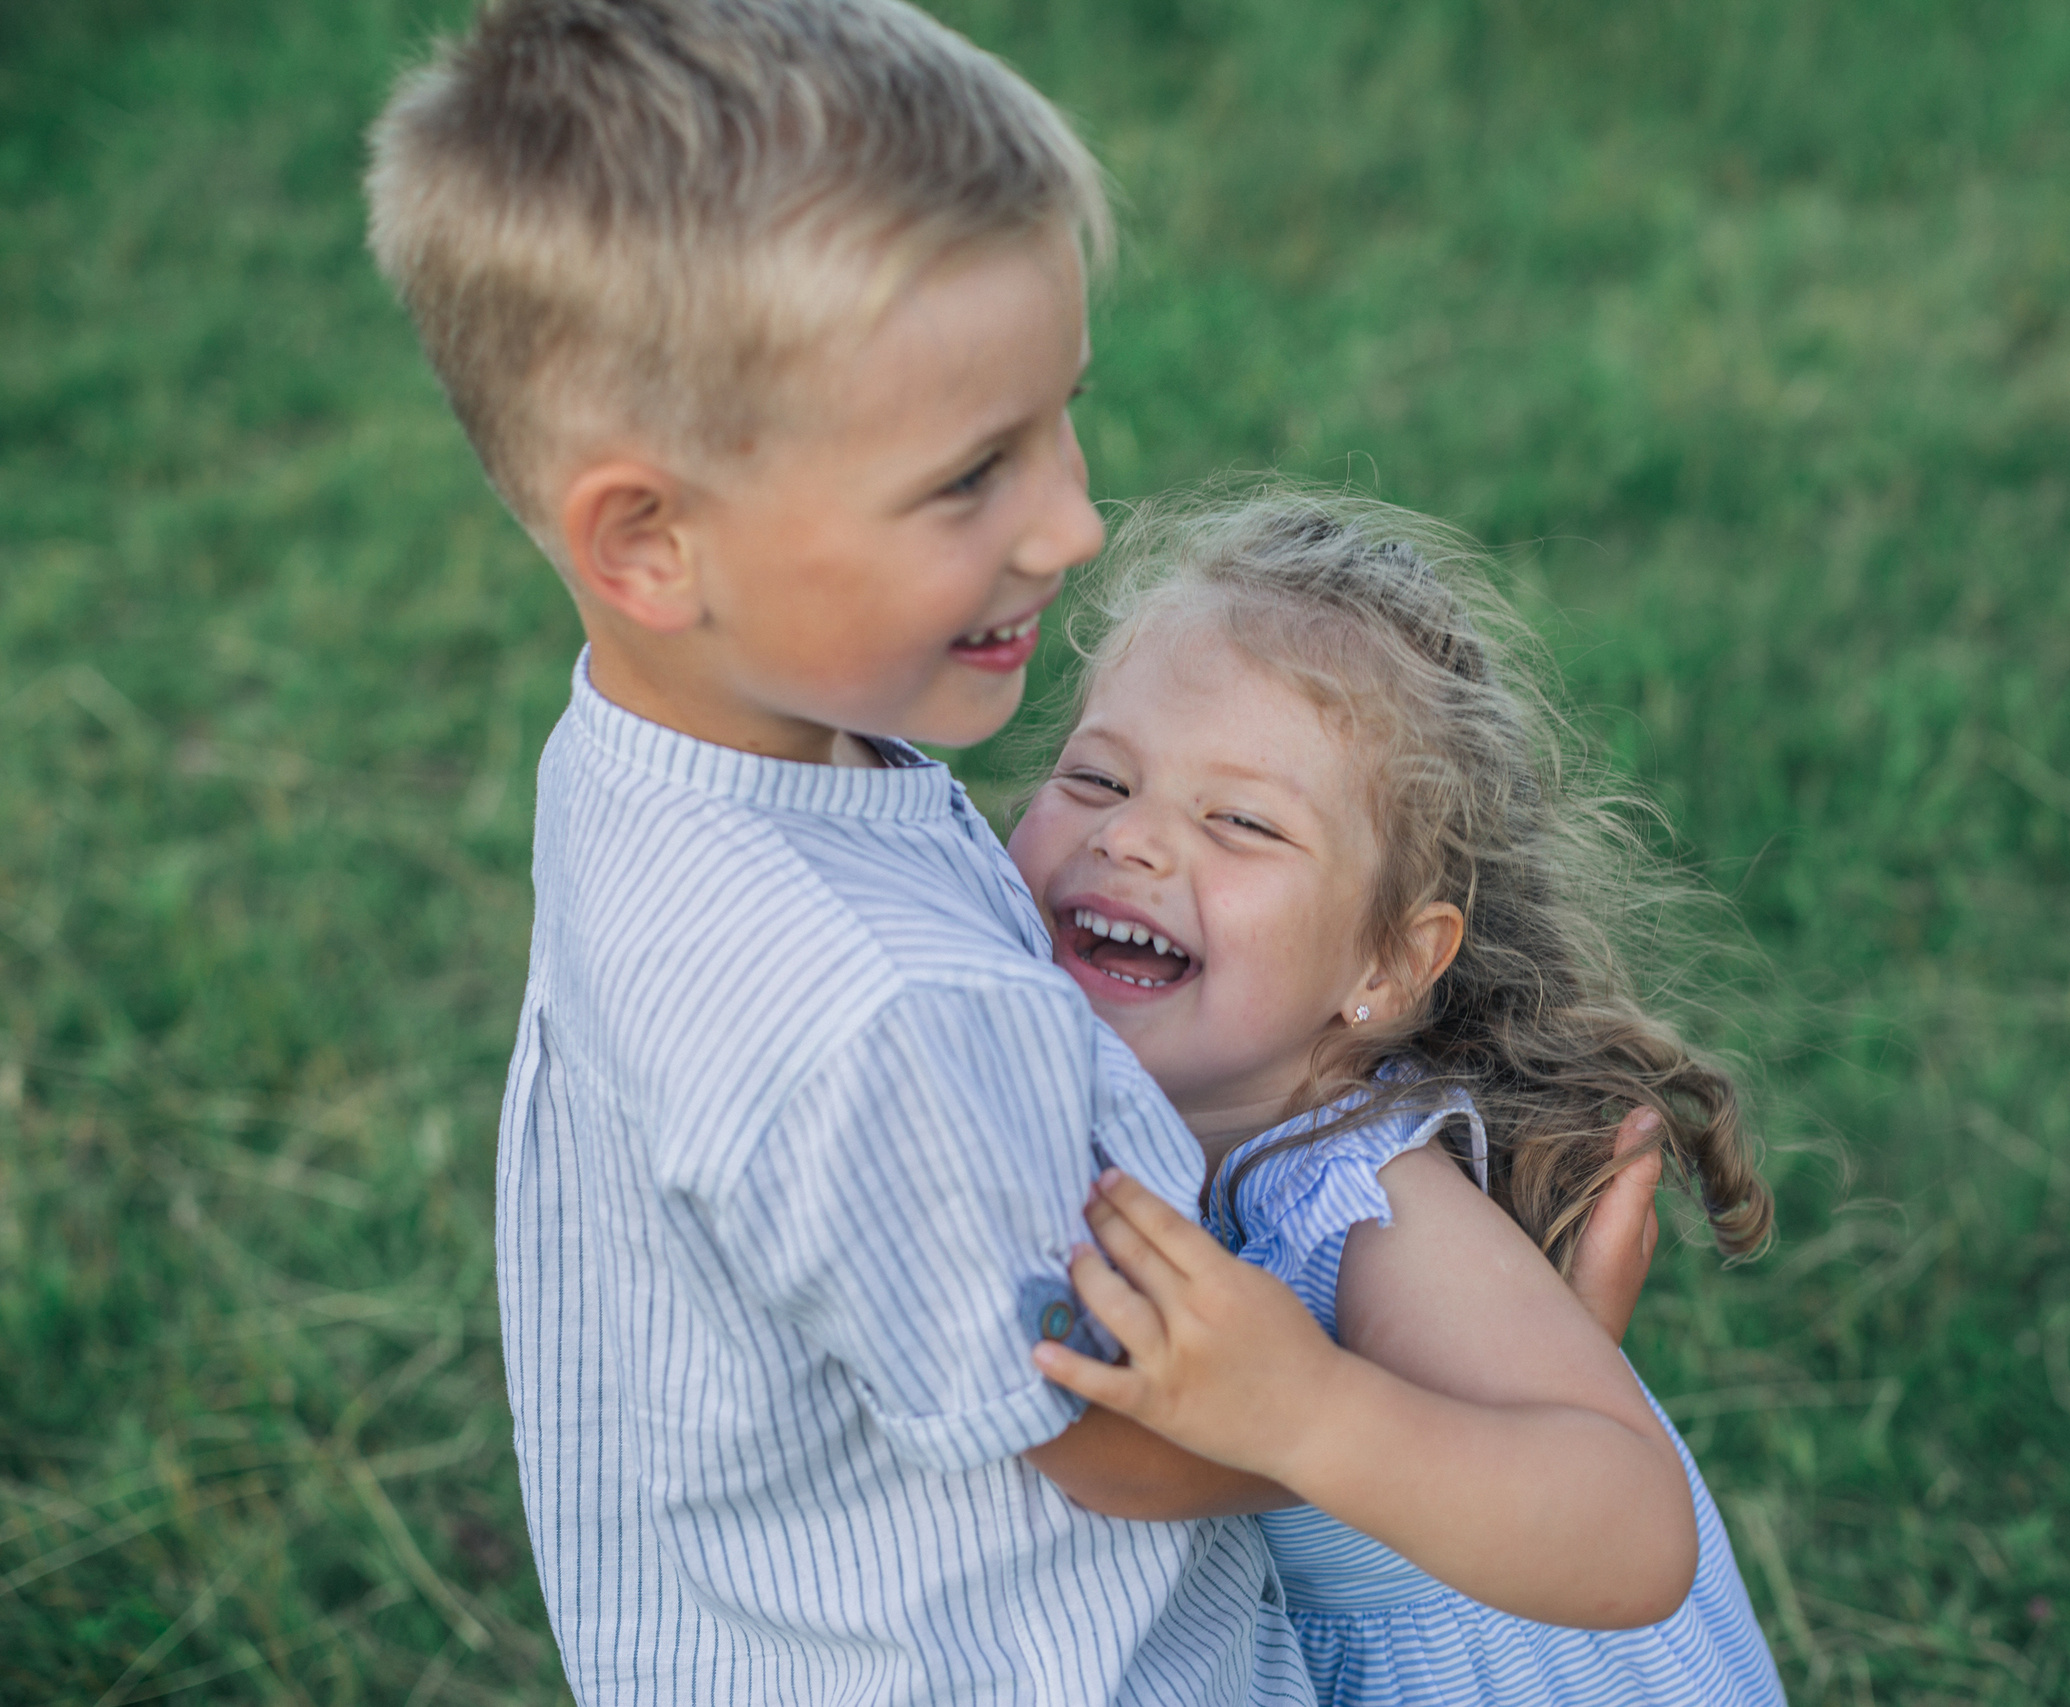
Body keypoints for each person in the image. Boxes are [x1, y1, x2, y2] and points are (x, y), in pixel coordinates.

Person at [364, 4, 1660, 1698]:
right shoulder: (889, 1015)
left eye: (1061, 419)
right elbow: (1117, 1445)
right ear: (652, 541)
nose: (1073, 521)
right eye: (971, 474)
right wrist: (1445, 1408)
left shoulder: (655, 757)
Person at [1009, 491, 1790, 1705]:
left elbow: (1632, 1534)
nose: (1137, 841)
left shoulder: (1363, 1199)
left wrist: (1308, 1413)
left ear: (1384, 966)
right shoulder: (1077, 1093)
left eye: (1242, 821)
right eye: (1099, 780)